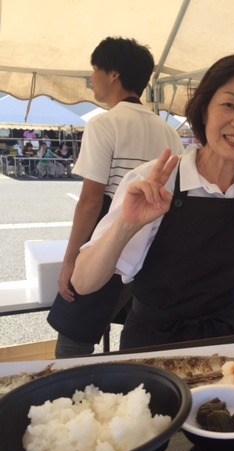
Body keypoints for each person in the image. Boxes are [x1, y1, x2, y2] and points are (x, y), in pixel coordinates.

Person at [70, 54, 234, 350]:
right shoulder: (155, 181)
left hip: (227, 349)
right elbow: (83, 282)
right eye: (229, 105)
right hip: (153, 350)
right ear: (204, 111)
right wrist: (126, 224)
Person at [47, 37, 185, 358]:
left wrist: (71, 261)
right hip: (155, 242)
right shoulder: (169, 133)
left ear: (113, 74)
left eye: (95, 69)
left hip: (112, 233)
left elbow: (91, 202)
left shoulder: (104, 125)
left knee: (73, 339)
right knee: (139, 329)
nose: (91, 78)